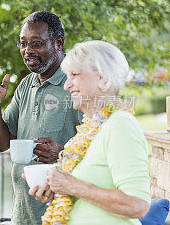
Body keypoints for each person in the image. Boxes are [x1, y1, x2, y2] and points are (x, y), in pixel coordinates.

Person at [28, 40, 151, 224]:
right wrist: (56, 191)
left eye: (74, 75)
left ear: (102, 78)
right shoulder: (89, 129)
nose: (66, 85)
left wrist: (72, 186)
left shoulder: (120, 124)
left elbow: (138, 205)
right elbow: (86, 195)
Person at [0, 11, 82, 225]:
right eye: (23, 43)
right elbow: (1, 144)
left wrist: (62, 153)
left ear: (58, 43)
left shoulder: (77, 84)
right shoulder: (26, 84)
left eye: (36, 43)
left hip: (63, 216)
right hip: (23, 215)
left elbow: (99, 147)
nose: (27, 51)